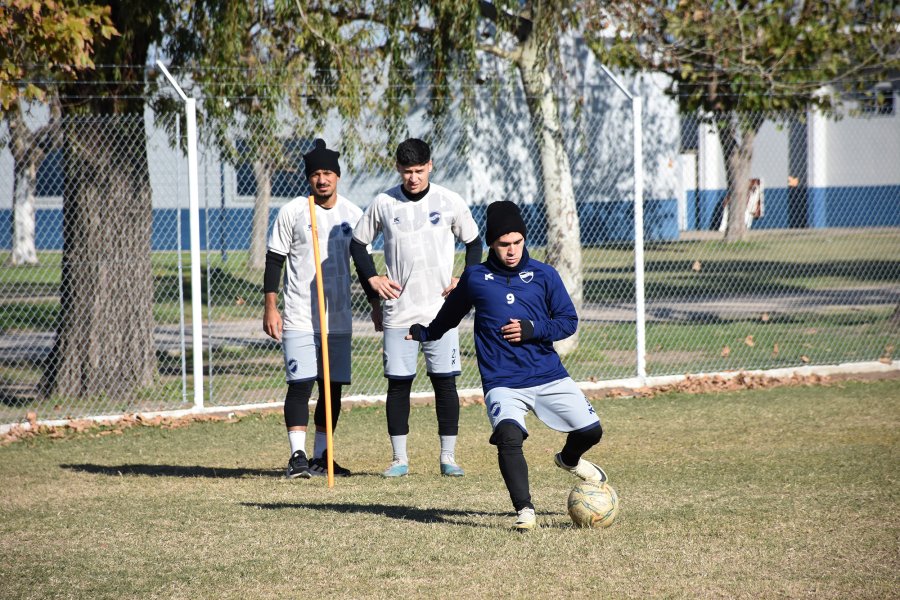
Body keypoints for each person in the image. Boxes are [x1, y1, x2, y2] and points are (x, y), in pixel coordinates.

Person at [405, 200, 607, 530]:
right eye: (503, 244)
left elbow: (568, 321)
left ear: (524, 240)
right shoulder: (475, 277)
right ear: (492, 244)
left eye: (517, 243)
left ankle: (569, 460)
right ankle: (525, 510)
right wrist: (425, 332)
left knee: (591, 431)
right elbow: (449, 316)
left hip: (547, 374)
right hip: (502, 380)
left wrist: (533, 329)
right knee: (508, 436)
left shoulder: (544, 275)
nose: (511, 251)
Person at [350, 138, 482, 478]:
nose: (413, 178)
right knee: (398, 384)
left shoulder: (449, 200)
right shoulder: (383, 203)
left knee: (445, 383)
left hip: (442, 312)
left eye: (419, 171)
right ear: (398, 169)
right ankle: (399, 459)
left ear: (430, 166)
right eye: (407, 171)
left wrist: (465, 278)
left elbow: (474, 242)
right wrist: (372, 281)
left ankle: (448, 457)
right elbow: (358, 243)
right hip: (399, 312)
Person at [263, 139, 379, 479]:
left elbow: (364, 264)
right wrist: (271, 307)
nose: (322, 179)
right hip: (299, 314)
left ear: (338, 176)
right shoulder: (293, 212)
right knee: (301, 383)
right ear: (309, 178)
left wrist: (375, 304)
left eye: (328, 173)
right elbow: (274, 261)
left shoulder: (353, 214)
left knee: (333, 388)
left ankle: (321, 455)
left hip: (338, 318)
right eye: (316, 174)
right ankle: (297, 456)